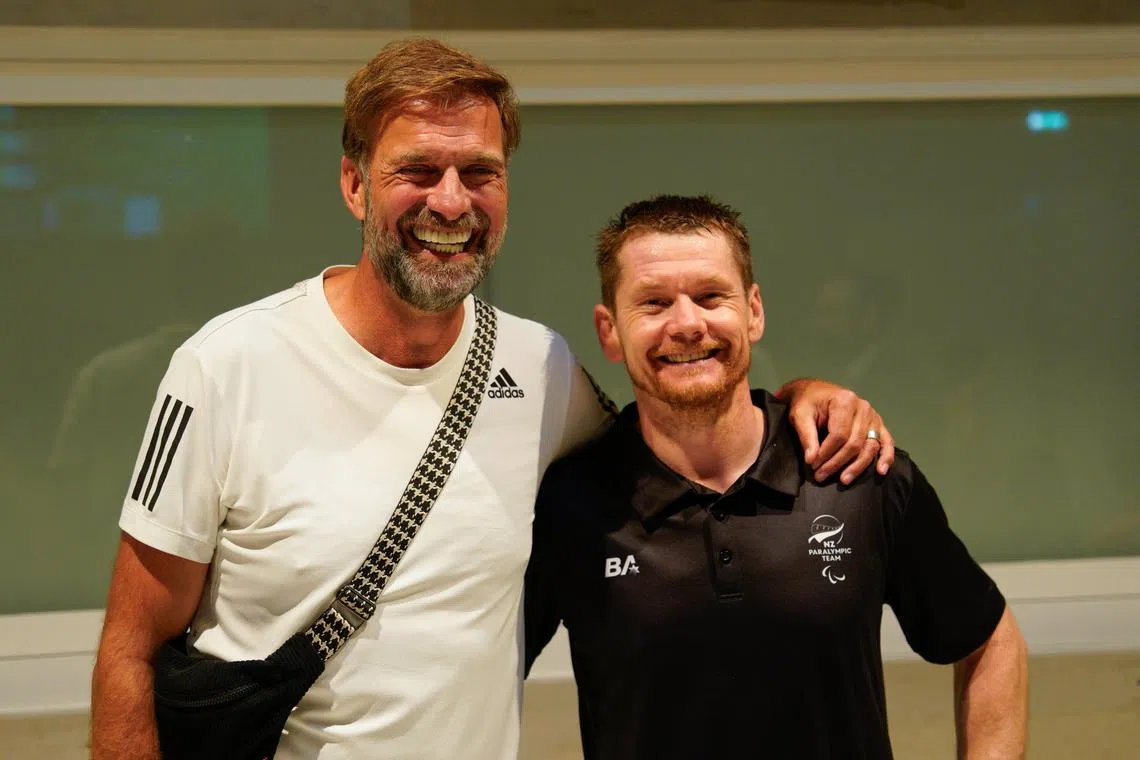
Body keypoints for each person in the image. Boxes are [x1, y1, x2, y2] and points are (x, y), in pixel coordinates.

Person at [90, 40, 894, 760]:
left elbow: (671, 434)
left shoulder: (539, 368)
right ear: (354, 184)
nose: (451, 202)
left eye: (480, 172)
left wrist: (802, 399)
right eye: (417, 171)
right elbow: (130, 650)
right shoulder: (226, 367)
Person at [523, 194, 1029, 759]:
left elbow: (989, 639)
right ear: (610, 331)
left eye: (711, 296)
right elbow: (475, 669)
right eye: (654, 303)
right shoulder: (569, 506)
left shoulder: (853, 470)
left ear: (754, 311)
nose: (687, 324)